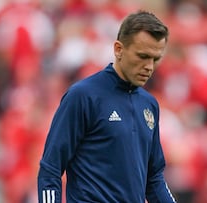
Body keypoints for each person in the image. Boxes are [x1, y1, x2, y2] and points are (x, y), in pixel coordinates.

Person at [37, 10, 176, 203]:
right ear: (119, 49)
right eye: (142, 56)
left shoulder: (149, 105)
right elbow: (51, 168)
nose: (149, 67)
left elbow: (154, 180)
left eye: (155, 58)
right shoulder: (83, 96)